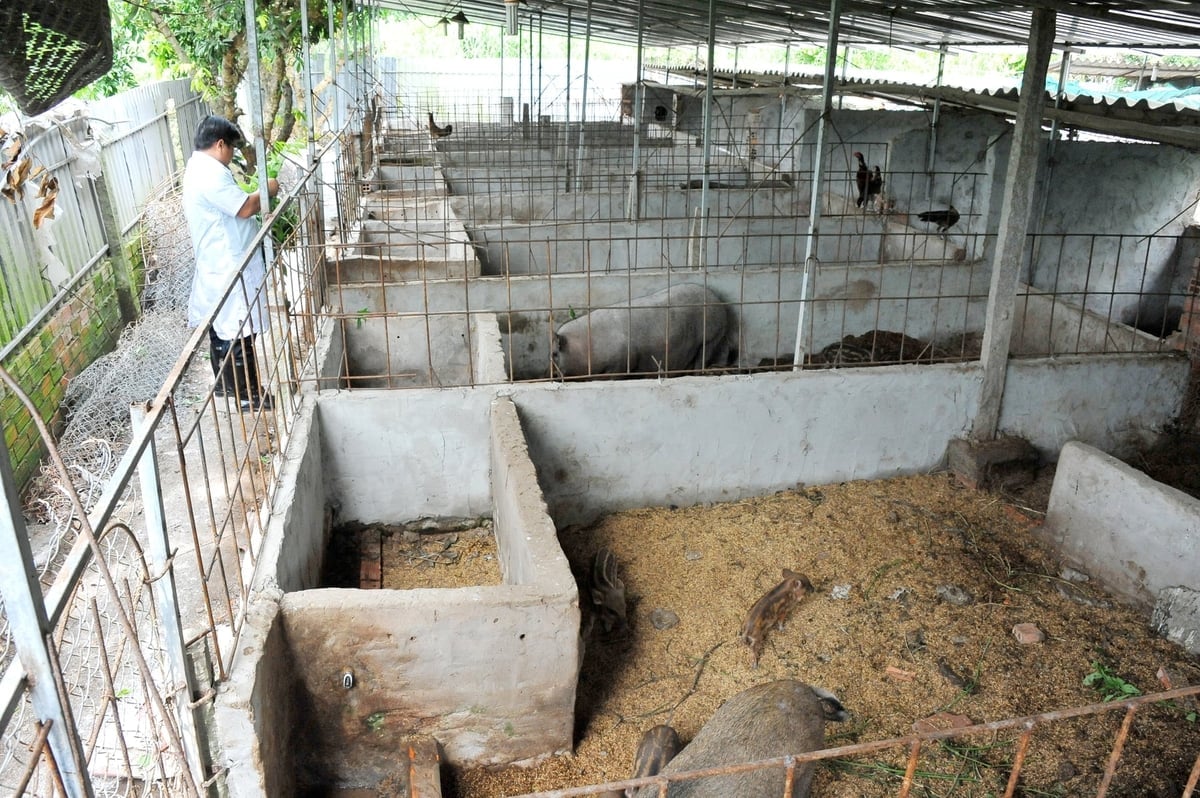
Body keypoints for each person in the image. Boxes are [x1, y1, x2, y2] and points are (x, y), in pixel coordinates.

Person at [182, 115, 279, 412]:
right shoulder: (209, 173)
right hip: (226, 262)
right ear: (220, 144)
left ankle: (227, 389)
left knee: (225, 328)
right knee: (239, 330)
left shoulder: (199, 167)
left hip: (221, 260)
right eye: (232, 148)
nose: (233, 155)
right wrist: (269, 188)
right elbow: (245, 207)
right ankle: (248, 397)